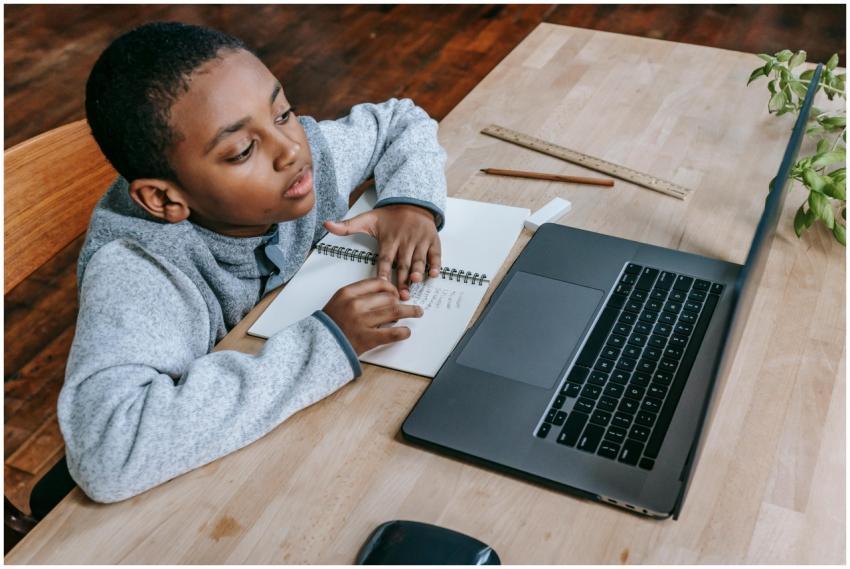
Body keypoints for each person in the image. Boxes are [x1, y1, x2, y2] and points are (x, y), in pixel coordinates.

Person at [58, 21, 447, 503]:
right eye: (243, 150)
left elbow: (399, 121)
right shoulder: (140, 268)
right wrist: (326, 343)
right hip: (200, 494)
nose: (291, 149)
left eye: (283, 113)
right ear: (163, 199)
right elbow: (107, 454)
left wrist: (411, 204)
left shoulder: (303, 161)